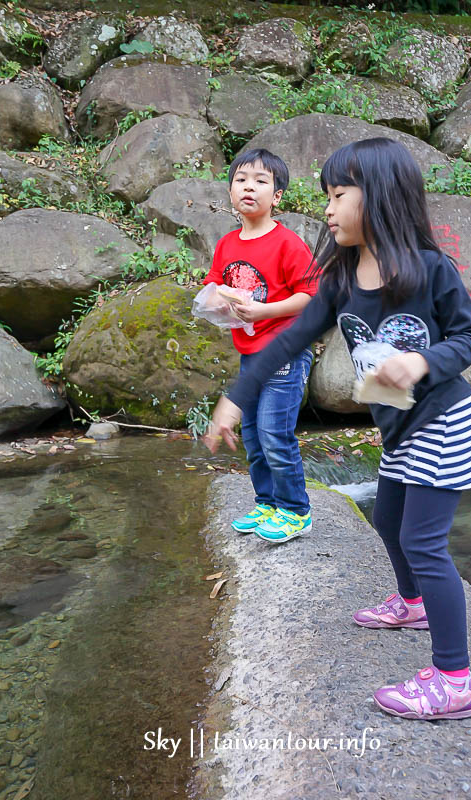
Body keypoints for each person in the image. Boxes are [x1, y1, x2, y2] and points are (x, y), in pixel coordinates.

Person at [203, 138, 471, 721]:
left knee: (423, 542)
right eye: (327, 196)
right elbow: (286, 339)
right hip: (398, 424)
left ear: (380, 197)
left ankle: (454, 678)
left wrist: (423, 361)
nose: (328, 210)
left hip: (443, 418)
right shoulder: (339, 278)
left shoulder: (430, 269)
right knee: (386, 518)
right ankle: (412, 603)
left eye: (338, 195)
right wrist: (236, 396)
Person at [203, 148, 319, 544]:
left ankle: (295, 510)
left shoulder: (287, 244)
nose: (249, 187)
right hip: (250, 353)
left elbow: (311, 296)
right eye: (241, 179)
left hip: (286, 351)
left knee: (274, 431)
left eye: (261, 181)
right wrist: (216, 300)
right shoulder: (227, 244)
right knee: (252, 433)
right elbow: (213, 283)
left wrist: (264, 310)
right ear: (230, 191)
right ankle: (267, 501)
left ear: (278, 196)